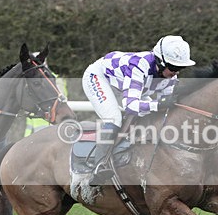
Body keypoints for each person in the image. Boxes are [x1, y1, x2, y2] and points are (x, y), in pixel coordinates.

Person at [81, 35, 195, 184]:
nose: (176, 72)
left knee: (151, 111)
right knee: (114, 118)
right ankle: (99, 166)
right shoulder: (139, 66)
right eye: (173, 67)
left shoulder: (170, 78)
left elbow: (165, 109)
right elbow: (132, 106)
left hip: (125, 86)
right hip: (99, 78)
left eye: (181, 68)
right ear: (160, 62)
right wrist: (158, 104)